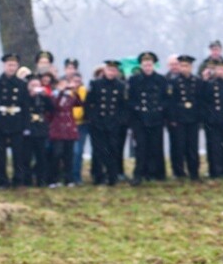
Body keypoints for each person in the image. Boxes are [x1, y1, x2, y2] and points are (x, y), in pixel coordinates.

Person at [127, 51, 168, 185]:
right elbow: (129, 99)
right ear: (141, 66)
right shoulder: (134, 80)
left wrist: (161, 109)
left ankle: (156, 173)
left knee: (156, 146)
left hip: (156, 118)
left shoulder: (161, 80)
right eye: (145, 65)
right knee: (141, 147)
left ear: (154, 65)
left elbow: (166, 98)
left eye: (150, 65)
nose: (147, 68)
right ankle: (139, 173)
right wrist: (136, 110)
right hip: (139, 119)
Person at [0, 54, 30, 187]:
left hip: (16, 121)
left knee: (18, 154)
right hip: (1, 121)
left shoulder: (21, 84)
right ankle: (2, 180)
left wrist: (25, 125)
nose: (11, 68)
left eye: (14, 65)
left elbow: (25, 106)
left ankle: (18, 180)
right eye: (9, 65)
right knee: (0, 154)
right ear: (4, 65)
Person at [85, 60, 127, 186]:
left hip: (113, 123)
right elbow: (89, 103)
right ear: (105, 70)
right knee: (98, 150)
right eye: (109, 70)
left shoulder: (121, 86)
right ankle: (98, 176)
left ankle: (112, 176)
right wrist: (92, 119)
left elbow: (123, 106)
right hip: (98, 123)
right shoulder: (95, 84)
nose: (111, 72)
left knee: (113, 149)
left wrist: (120, 121)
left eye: (114, 70)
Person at [166, 55, 203, 180]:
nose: (184, 68)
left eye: (186, 66)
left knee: (192, 146)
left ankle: (194, 172)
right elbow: (171, 102)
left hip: (193, 118)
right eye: (182, 65)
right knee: (178, 146)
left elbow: (200, 100)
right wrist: (172, 119)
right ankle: (179, 171)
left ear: (191, 67)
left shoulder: (197, 81)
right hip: (179, 119)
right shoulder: (174, 82)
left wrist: (199, 118)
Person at [48, 77, 83, 187]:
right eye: (61, 84)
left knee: (69, 155)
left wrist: (74, 91)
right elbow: (55, 106)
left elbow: (79, 103)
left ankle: (69, 179)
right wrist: (61, 92)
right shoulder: (54, 96)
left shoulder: (69, 96)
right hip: (57, 129)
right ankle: (54, 179)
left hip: (69, 129)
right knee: (56, 154)